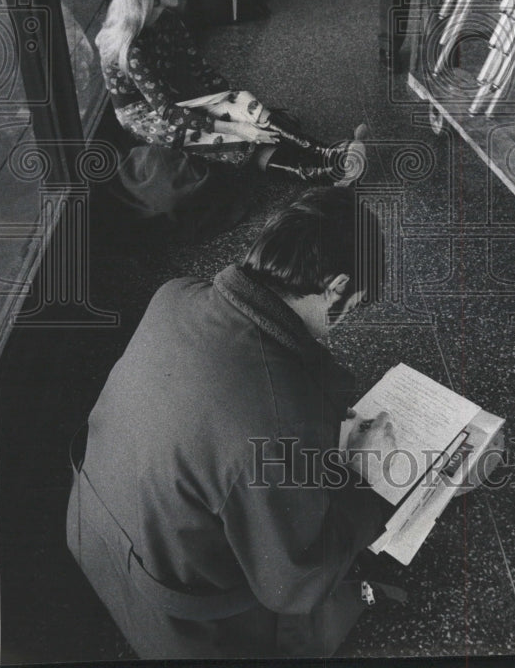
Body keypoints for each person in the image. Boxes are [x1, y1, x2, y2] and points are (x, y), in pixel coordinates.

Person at [67, 187, 397, 657]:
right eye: (356, 304)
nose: (347, 321)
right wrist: (363, 475)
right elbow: (292, 585)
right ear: (338, 286)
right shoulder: (277, 421)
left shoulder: (176, 292)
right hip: (174, 614)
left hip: (88, 527)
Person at [95, 0, 367, 215]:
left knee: (245, 105)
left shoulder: (168, 22)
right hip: (146, 117)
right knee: (233, 138)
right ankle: (328, 173)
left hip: (170, 99)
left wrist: (236, 102)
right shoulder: (132, 47)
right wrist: (235, 127)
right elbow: (167, 111)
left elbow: (201, 70)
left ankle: (331, 154)